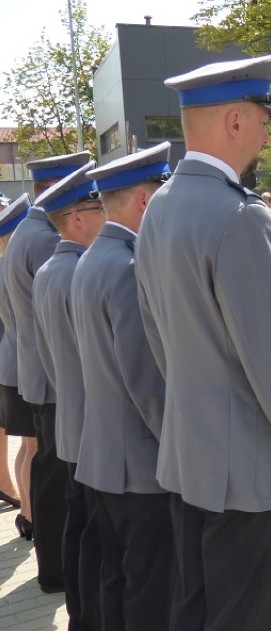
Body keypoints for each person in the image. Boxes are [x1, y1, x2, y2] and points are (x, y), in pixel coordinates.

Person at [134, 56, 271, 630]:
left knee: (193, 613)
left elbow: (159, 340)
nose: (267, 130)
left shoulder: (158, 207)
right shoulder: (239, 216)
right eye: (263, 118)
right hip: (251, 482)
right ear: (234, 121)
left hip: (189, 466)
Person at [74, 144, 175, 630]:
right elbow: (147, 380)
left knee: (114, 583)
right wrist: (179, 449)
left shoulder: (92, 259)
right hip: (141, 468)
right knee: (150, 592)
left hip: (101, 460)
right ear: (143, 201)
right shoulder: (130, 266)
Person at [6, 150, 90, 592]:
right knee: (57, 478)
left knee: (50, 470)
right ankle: (57, 569)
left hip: (40, 372)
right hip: (54, 376)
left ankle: (55, 566)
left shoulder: (29, 231)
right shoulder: (43, 239)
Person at [31, 161, 106, 628]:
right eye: (98, 205)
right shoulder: (77, 272)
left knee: (82, 534)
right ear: (77, 217)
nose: (106, 213)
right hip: (91, 427)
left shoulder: (53, 269)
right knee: (92, 541)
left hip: (72, 422)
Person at [0, 195, 31, 533]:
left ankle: (26, 508)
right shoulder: (9, 268)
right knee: (32, 447)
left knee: (28, 445)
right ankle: (29, 513)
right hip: (20, 366)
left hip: (12, 365)